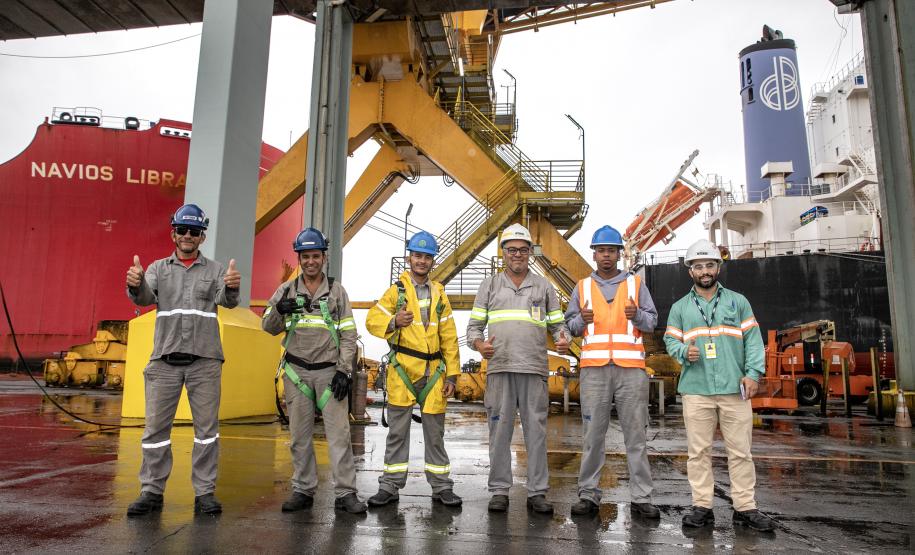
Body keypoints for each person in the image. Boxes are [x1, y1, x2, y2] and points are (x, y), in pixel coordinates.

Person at [125, 203, 240, 516]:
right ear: (173, 233)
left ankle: (204, 493)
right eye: (182, 230)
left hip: (204, 361)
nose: (188, 236)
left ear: (202, 236)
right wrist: (135, 284)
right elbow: (145, 298)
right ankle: (151, 491)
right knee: (155, 433)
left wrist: (232, 287)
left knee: (207, 432)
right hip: (164, 361)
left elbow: (227, 301)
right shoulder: (157, 269)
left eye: (194, 231)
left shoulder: (216, 270)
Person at [663, 239, 776, 532]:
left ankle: (745, 508)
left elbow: (753, 341)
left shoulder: (738, 302)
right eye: (698, 266)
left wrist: (753, 374)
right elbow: (670, 339)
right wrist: (681, 352)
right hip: (696, 389)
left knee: (740, 452)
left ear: (718, 267)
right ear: (690, 271)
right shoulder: (680, 308)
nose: (704, 271)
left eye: (709, 265)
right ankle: (702, 507)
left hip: (733, 389)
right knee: (698, 452)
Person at [466, 223, 570, 514]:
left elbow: (559, 325)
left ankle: (537, 492)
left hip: (534, 368)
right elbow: (473, 327)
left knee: (536, 432)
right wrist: (478, 346)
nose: (517, 255)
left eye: (523, 250)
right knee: (499, 430)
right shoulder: (489, 285)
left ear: (530, 254)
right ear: (503, 253)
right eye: (512, 250)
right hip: (499, 368)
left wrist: (564, 339)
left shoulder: (543, 286)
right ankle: (499, 490)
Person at [261, 227, 366, 514]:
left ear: (324, 257)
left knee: (339, 436)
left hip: (329, 374)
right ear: (299, 258)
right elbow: (267, 327)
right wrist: (279, 310)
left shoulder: (336, 292)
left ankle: (345, 493)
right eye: (305, 256)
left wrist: (345, 371)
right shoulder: (286, 291)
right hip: (297, 374)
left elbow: (348, 334)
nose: (310, 261)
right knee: (299, 436)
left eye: (315, 256)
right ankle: (303, 490)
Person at [564, 225, 660, 518]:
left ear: (619, 254)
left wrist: (638, 315)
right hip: (594, 371)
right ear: (594, 254)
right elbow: (569, 328)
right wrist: (581, 319)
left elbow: (652, 322)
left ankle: (642, 497)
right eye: (601, 250)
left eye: (612, 250)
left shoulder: (635, 285)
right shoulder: (581, 288)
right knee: (593, 435)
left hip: (631, 370)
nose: (606, 255)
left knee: (635, 435)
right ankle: (589, 495)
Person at [364, 231, 462, 507]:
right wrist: (394, 320)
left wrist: (453, 374)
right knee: (397, 434)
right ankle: (390, 486)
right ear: (409, 258)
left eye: (427, 256)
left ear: (433, 261)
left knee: (435, 435)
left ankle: (442, 487)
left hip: (434, 375)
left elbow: (450, 337)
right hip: (403, 372)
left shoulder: (440, 294)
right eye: (417, 255)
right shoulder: (396, 292)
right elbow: (372, 320)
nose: (422, 261)